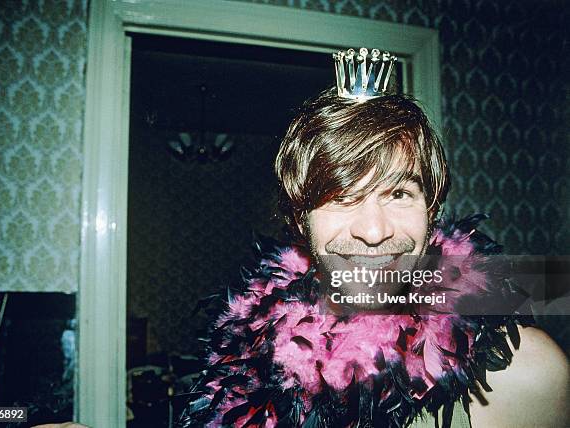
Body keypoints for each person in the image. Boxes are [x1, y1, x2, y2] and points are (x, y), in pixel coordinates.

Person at [178, 49, 569, 427]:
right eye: (341, 198)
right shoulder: (249, 357)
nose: (373, 231)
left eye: (398, 194)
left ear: (431, 211)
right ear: (300, 220)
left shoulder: (526, 375)